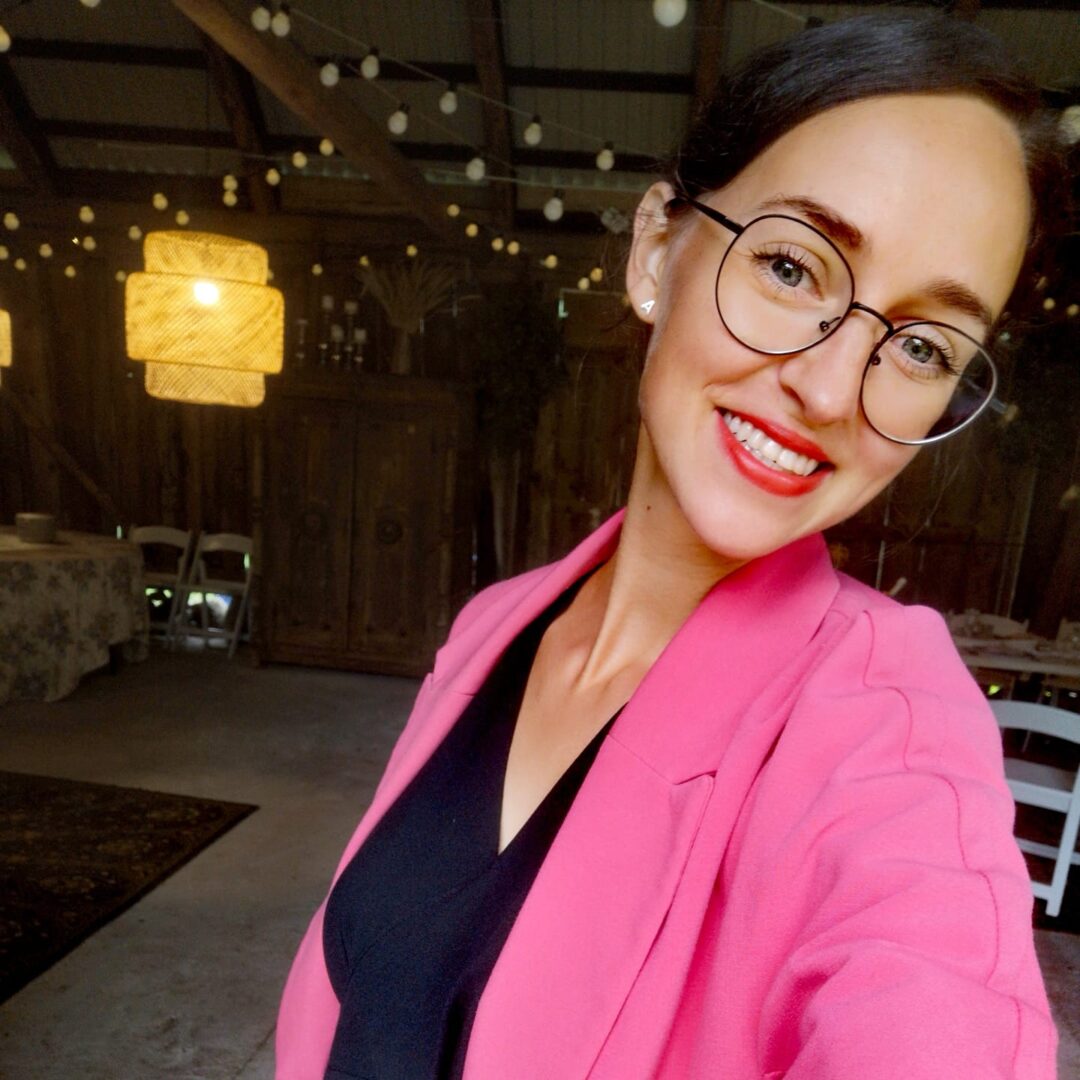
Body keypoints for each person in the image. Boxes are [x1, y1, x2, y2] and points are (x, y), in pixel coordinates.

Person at [277, 13, 1068, 1079]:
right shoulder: (495, 626)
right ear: (657, 249)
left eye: (924, 347)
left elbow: (935, 1004)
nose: (832, 390)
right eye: (792, 267)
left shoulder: (892, 725)